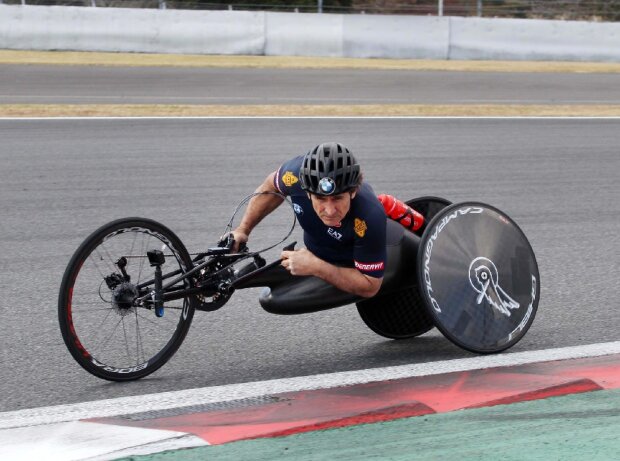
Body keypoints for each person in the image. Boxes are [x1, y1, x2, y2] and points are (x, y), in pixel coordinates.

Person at [230, 142, 386, 298]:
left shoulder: (369, 217)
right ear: (307, 193)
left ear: (353, 192)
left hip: (353, 261)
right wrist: (243, 230)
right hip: (319, 248)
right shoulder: (294, 176)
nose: (330, 211)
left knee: (273, 301)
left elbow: (370, 286)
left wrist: (316, 267)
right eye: (320, 198)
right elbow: (271, 186)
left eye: (338, 198)